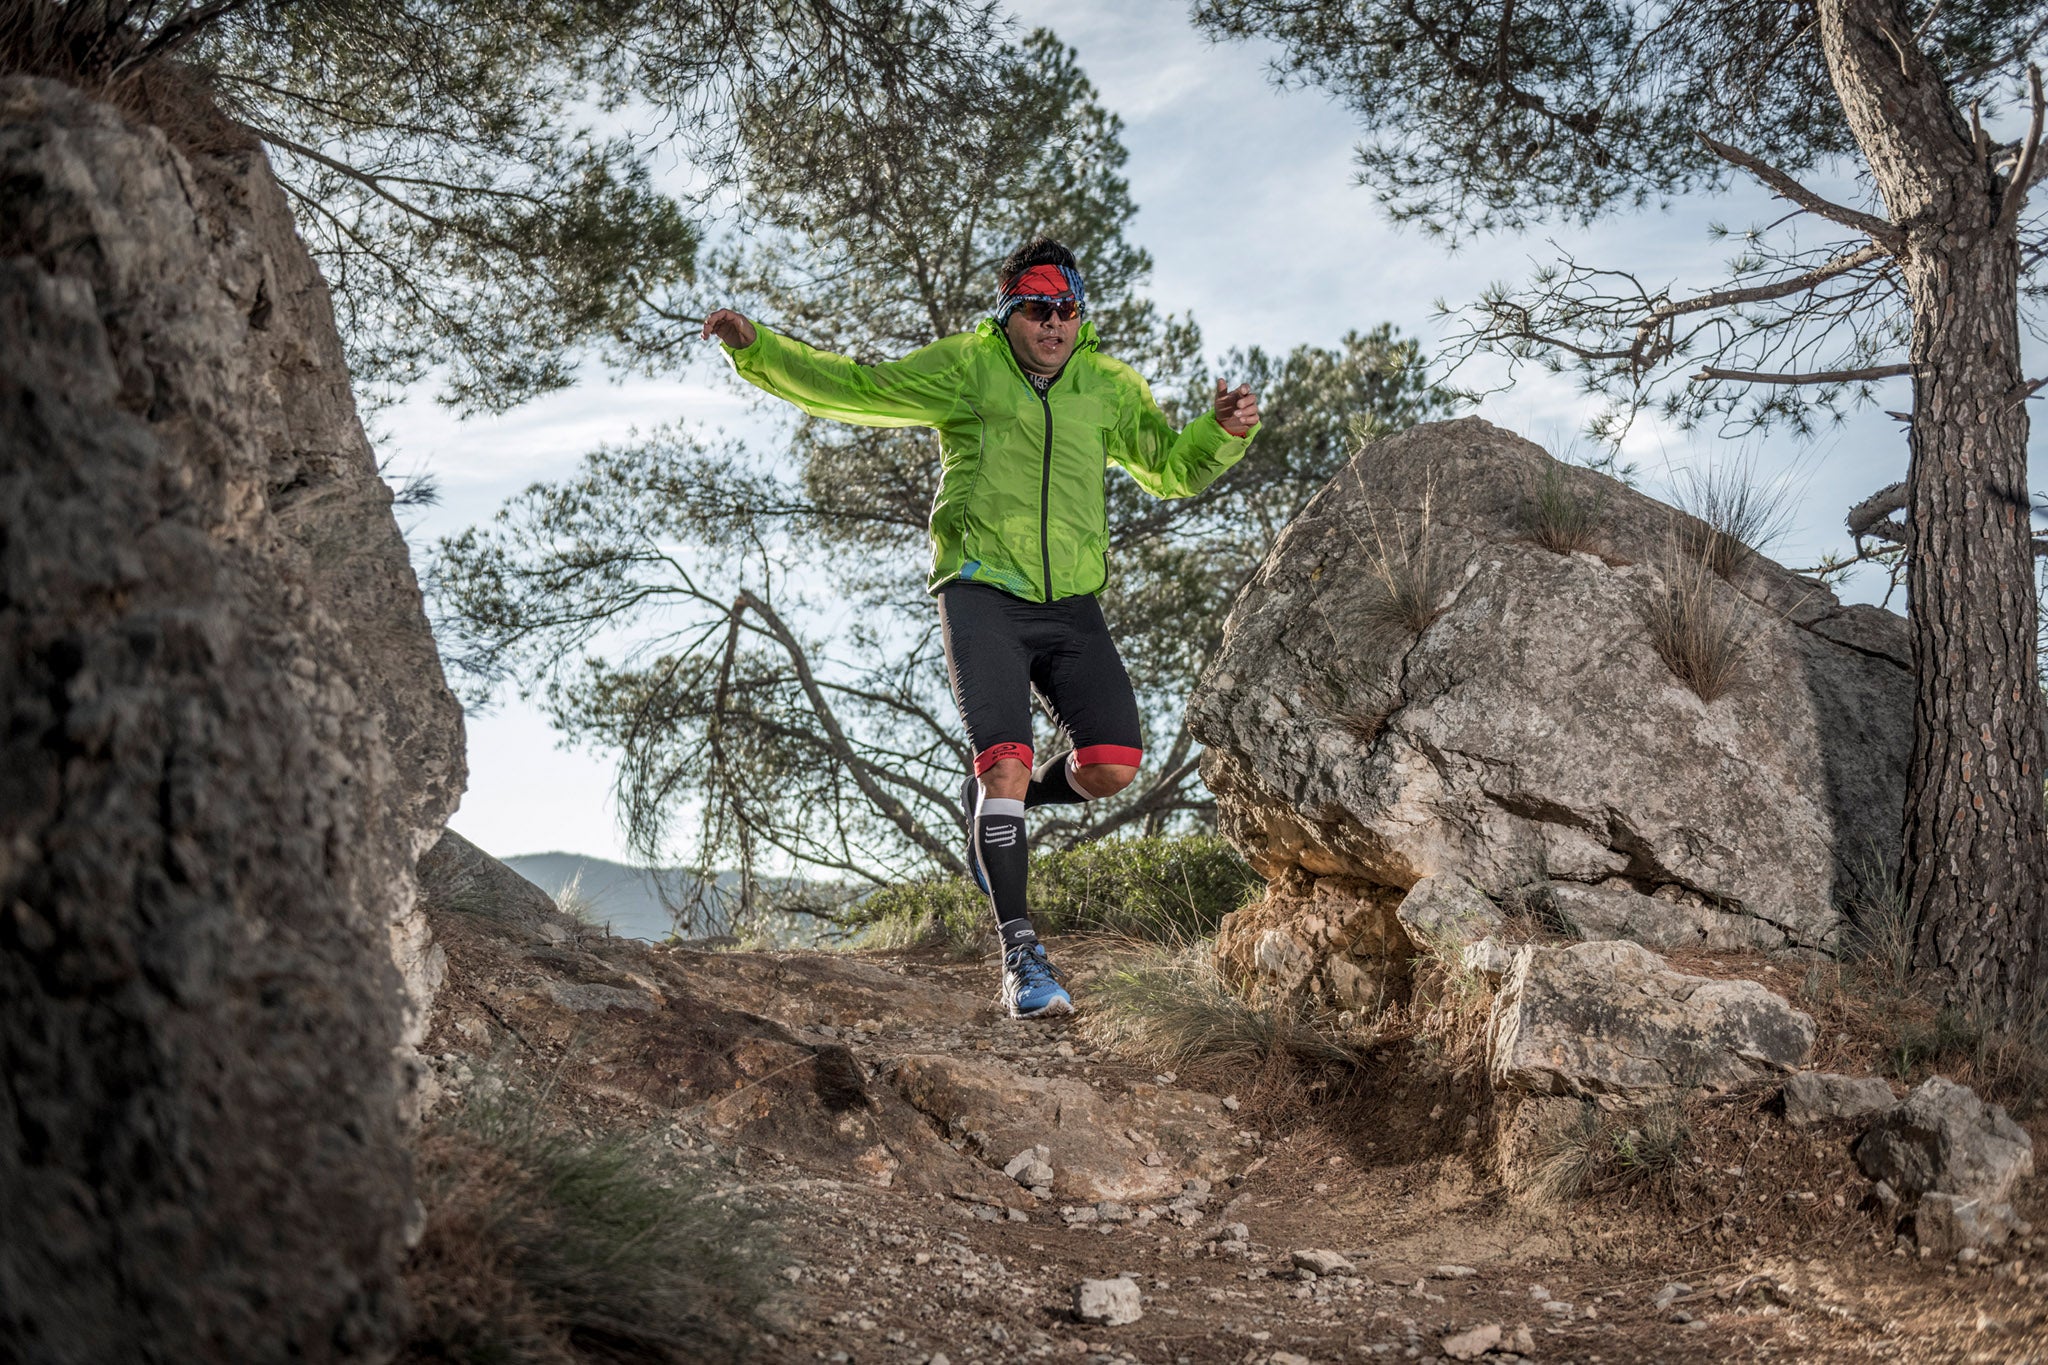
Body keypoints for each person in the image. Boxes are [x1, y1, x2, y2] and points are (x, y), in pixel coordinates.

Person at [702, 238, 1259, 1018]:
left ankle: (1006, 805)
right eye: (1039, 308)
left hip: (1070, 604)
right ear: (1010, 311)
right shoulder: (968, 366)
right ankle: (1022, 957)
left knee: (1112, 762)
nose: (1056, 323)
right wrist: (760, 351)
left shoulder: (1106, 385)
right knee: (1002, 760)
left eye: (1068, 309)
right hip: (981, 594)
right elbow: (857, 388)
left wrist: (1222, 432)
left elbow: (1168, 467)